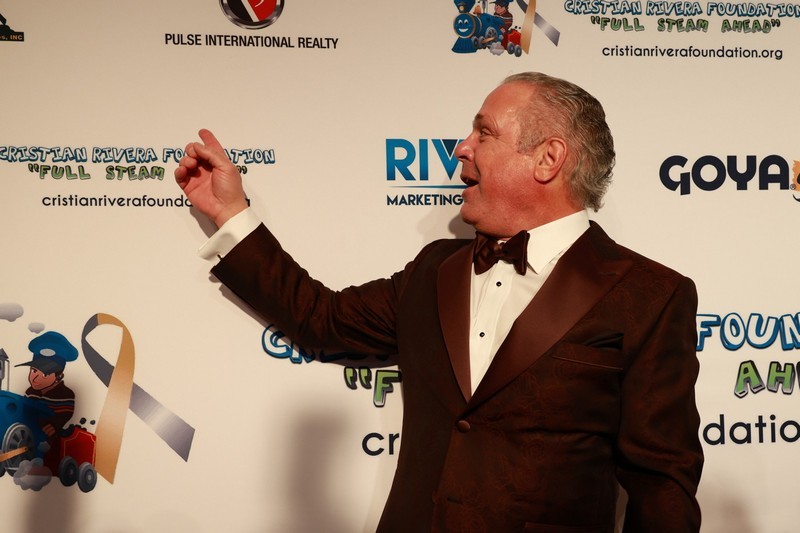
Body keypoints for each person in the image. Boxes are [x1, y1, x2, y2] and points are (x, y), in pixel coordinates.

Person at [175, 72, 703, 532]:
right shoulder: (436, 269)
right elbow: (321, 319)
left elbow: (662, 485)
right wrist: (231, 214)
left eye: (484, 132)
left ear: (548, 158)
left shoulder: (649, 294)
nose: (461, 148)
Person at [16, 331, 77, 437]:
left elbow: (63, 416)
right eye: (34, 370)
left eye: (45, 374)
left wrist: (54, 425)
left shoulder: (66, 394)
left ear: (59, 376)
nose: (35, 378)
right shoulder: (30, 392)